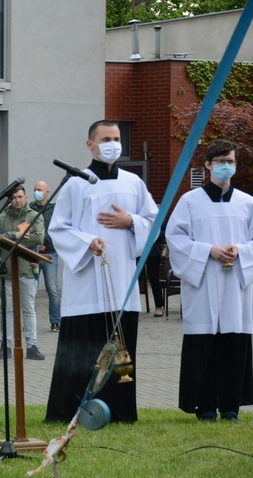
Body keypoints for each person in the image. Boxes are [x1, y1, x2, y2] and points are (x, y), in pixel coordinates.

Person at [45, 120, 158, 424]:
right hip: (86, 283)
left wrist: (131, 221)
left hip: (122, 281)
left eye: (117, 138)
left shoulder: (134, 183)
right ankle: (70, 409)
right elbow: (58, 228)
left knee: (120, 350)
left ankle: (119, 412)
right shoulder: (76, 183)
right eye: (106, 138)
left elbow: (152, 221)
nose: (113, 143)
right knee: (82, 349)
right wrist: (87, 241)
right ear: (90, 145)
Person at [166, 139, 253, 423]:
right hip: (202, 284)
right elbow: (175, 239)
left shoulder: (247, 203)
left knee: (233, 345)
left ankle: (230, 407)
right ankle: (204, 407)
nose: (226, 166)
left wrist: (240, 251)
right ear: (207, 165)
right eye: (221, 161)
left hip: (234, 285)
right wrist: (208, 251)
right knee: (204, 347)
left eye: (231, 161)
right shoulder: (189, 201)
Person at [0, 186, 46, 361]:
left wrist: (10, 241)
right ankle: (5, 346)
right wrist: (15, 234)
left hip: (27, 270)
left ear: (26, 197)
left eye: (20, 196)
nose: (17, 200)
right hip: (7, 272)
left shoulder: (33, 215)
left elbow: (38, 238)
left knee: (29, 309)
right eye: (14, 197)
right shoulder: (3, 216)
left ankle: (32, 346)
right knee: (7, 310)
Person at [30, 180, 62, 331]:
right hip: (33, 254)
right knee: (31, 289)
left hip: (50, 254)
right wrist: (37, 242)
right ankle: (30, 320)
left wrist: (44, 241)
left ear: (47, 192)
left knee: (52, 289)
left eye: (40, 189)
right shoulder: (30, 208)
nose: (37, 192)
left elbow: (57, 230)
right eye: (35, 189)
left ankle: (55, 321)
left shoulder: (54, 209)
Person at [141, 223, 166, 317]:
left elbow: (165, 231)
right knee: (135, 280)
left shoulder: (156, 212)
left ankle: (159, 306)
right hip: (138, 251)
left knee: (154, 279)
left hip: (153, 252)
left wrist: (154, 234)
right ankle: (133, 306)